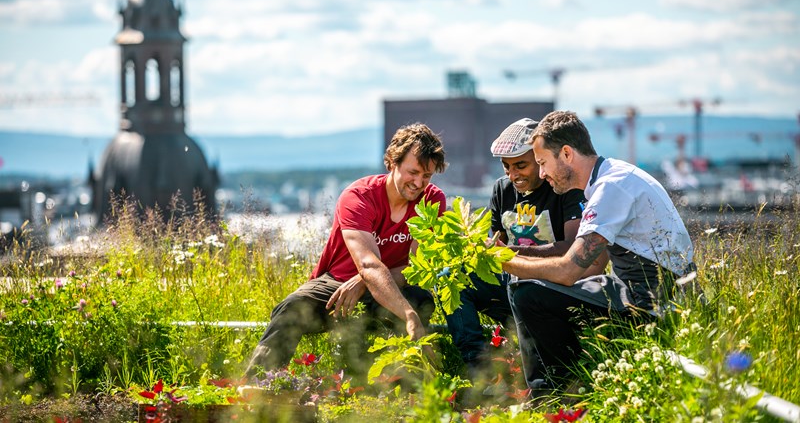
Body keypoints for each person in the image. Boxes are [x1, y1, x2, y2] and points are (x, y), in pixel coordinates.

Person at [504, 110, 694, 390]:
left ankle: (562, 392)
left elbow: (570, 271)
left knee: (527, 293)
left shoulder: (610, 188)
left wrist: (506, 261)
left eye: (543, 162)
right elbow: (590, 266)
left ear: (567, 154)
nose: (542, 174)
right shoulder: (613, 175)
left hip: (651, 300)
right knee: (533, 286)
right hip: (651, 289)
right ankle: (570, 383)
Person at [243, 123, 447, 378]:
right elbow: (368, 264)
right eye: (413, 172)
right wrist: (407, 314)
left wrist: (364, 282)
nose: (419, 183)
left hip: (386, 285)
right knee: (292, 307)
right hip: (337, 283)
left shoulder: (432, 199)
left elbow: (416, 267)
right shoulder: (359, 197)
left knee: (421, 299)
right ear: (392, 163)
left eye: (426, 176)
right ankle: (255, 385)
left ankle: (400, 386)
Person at [443, 117, 590, 391]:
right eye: (507, 167)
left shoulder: (561, 186)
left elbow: (572, 245)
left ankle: (542, 380)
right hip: (510, 285)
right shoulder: (502, 189)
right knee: (453, 280)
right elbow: (496, 241)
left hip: (549, 287)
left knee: (527, 294)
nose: (513, 175)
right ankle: (480, 371)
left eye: (521, 165)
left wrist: (513, 252)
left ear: (539, 158)